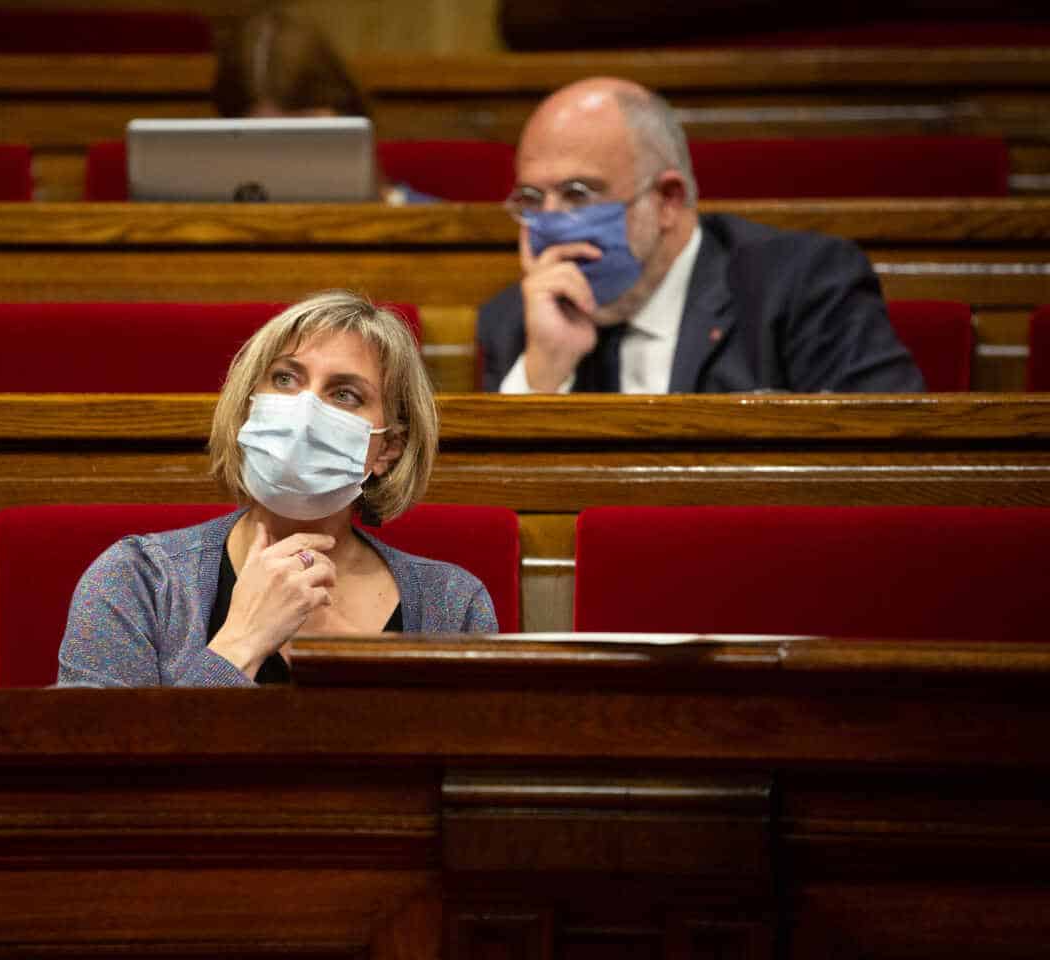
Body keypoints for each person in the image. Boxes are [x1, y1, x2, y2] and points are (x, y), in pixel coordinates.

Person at [57, 291, 498, 688]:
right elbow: (97, 771)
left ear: (388, 449)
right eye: (285, 379)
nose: (304, 410)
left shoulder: (452, 605)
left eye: (344, 395)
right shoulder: (140, 580)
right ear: (250, 403)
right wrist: (240, 643)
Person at [477, 76, 926, 393]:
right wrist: (544, 375)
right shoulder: (517, 321)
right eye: (532, 199)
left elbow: (888, 460)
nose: (551, 223)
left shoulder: (799, 286)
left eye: (578, 194)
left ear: (669, 199)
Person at [212, 10, 438, 205]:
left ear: (347, 113)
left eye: (303, 137)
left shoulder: (443, 227)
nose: (291, 167)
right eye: (264, 146)